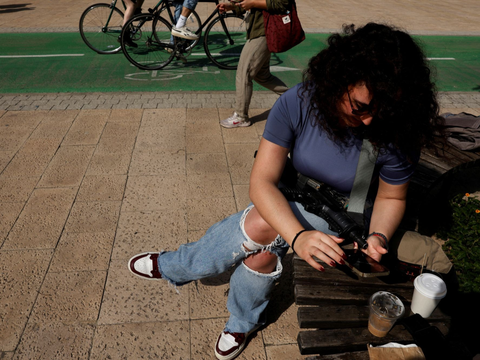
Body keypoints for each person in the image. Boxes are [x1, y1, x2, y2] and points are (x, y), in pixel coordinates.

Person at [128, 23, 446, 360]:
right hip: (299, 198)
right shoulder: (299, 102)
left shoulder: (393, 132)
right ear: (339, 78)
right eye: (360, 106)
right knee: (262, 254)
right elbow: (261, 181)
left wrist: (379, 237)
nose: (370, 121)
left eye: (383, 110)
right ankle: (242, 319)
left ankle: (179, 266)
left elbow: (390, 197)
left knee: (259, 225)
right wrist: (297, 238)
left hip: (346, 221)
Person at [218, 0, 290, 128]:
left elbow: (282, 4)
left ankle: (241, 116)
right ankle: (295, 98)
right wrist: (232, 6)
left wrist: (253, 3)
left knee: (244, 72)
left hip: (266, 30)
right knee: (262, 76)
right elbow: (249, 2)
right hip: (259, 29)